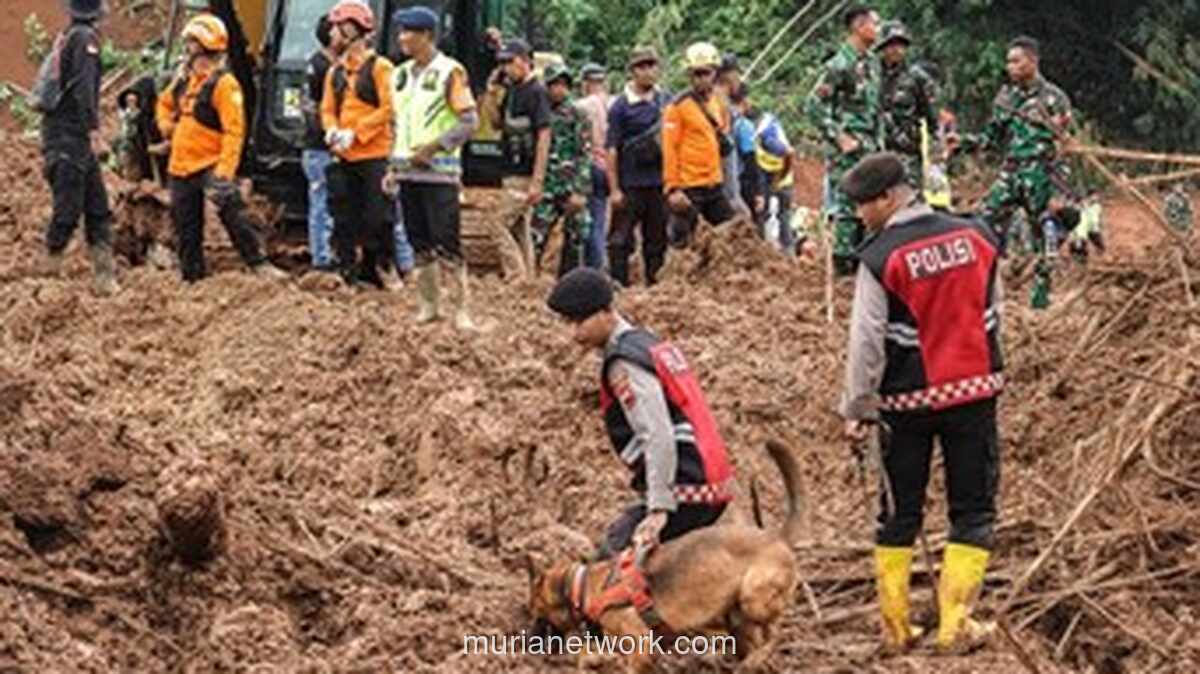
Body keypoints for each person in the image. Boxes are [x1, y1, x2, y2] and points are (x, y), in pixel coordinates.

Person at [838, 153, 1004, 655]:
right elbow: (994, 311)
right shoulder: (977, 237)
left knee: (898, 510)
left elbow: (865, 341)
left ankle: (895, 627)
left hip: (904, 404)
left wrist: (856, 408)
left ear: (889, 197)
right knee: (972, 509)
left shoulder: (880, 256)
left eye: (862, 205)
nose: (858, 215)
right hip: (974, 394)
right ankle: (957, 625)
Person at [546, 268, 736, 560]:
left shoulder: (624, 363)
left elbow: (656, 433)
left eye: (579, 321)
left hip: (689, 487)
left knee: (613, 559)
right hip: (712, 479)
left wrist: (659, 508)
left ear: (606, 311)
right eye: (567, 323)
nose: (573, 333)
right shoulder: (648, 343)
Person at [155, 13, 287, 283]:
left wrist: (224, 172)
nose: (187, 48)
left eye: (191, 42)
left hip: (210, 163)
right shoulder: (185, 80)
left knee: (232, 211)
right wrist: (167, 126)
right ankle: (192, 276)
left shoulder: (225, 85)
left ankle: (258, 262)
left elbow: (234, 131)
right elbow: (164, 104)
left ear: (203, 44)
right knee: (185, 224)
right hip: (181, 164)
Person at [946, 36, 1074, 309]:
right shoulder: (1006, 97)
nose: (1010, 67)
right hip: (1011, 172)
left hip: (1042, 172)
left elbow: (1066, 147)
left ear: (1033, 61)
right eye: (1008, 62)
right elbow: (991, 139)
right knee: (982, 223)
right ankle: (977, 290)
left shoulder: (1054, 98)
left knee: (1043, 237)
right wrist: (963, 143)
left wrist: (1058, 190)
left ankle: (1040, 301)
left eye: (1016, 61)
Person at [386, 6, 480, 329]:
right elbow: (396, 126)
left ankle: (461, 309)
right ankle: (428, 305)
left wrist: (434, 147)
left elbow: (470, 121)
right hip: (407, 172)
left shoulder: (449, 72)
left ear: (427, 35)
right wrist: (391, 167)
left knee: (447, 241)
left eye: (408, 33)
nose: (402, 39)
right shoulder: (398, 75)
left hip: (439, 173)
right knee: (418, 241)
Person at [38, 0, 119, 295]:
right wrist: (95, 132)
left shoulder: (69, 36)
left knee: (98, 207)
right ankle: (48, 273)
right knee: (68, 209)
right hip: (69, 138)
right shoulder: (85, 41)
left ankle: (104, 278)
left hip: (71, 138)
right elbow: (85, 93)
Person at [320, 0, 399, 290]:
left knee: (378, 217)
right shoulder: (335, 73)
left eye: (337, 29)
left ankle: (379, 268)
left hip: (374, 154)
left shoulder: (380, 68)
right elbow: (327, 109)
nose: (333, 35)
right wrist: (331, 131)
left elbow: (390, 108)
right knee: (343, 216)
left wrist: (358, 132)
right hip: (344, 156)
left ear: (352, 30)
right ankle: (346, 271)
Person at [806, 5, 882, 277]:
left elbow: (875, 109)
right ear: (859, 27)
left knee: (871, 205)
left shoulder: (871, 62)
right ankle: (843, 268)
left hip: (870, 147)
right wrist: (839, 137)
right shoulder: (840, 64)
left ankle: (865, 263)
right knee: (848, 207)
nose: (879, 28)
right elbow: (813, 105)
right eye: (875, 23)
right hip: (848, 152)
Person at [662, 42, 739, 248]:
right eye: (696, 74)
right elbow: (670, 149)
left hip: (714, 184)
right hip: (688, 188)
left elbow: (722, 138)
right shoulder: (677, 107)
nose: (700, 79)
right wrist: (672, 189)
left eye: (705, 73)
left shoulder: (719, 103)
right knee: (683, 244)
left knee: (732, 235)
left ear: (714, 73)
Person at [605, 46, 671, 287]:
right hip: (630, 184)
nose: (648, 72)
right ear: (632, 71)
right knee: (619, 241)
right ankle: (618, 289)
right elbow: (612, 148)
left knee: (657, 242)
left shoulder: (666, 102)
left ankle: (655, 290)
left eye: (651, 66)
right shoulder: (620, 107)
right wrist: (614, 189)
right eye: (642, 67)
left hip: (658, 184)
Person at [488, 38, 553, 276]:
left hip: (525, 172)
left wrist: (538, 179)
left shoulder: (537, 92)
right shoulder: (512, 91)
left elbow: (544, 136)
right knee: (519, 227)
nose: (506, 68)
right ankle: (528, 276)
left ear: (525, 62)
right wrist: (492, 93)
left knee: (497, 223)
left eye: (510, 62)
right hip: (510, 168)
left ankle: (516, 274)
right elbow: (496, 124)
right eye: (503, 63)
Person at [532, 64, 593, 276]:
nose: (559, 89)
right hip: (546, 185)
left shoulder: (578, 114)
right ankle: (534, 280)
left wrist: (580, 190)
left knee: (577, 237)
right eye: (554, 84)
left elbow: (585, 153)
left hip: (570, 184)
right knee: (537, 235)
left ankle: (574, 279)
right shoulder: (539, 112)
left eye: (563, 84)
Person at [876, 21, 939, 194]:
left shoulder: (918, 78)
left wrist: (936, 159)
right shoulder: (870, 74)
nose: (896, 49)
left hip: (906, 155)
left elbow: (933, 119)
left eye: (901, 45)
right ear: (882, 47)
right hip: (875, 153)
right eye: (891, 44)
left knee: (910, 205)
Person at [302, 15, 337, 270]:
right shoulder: (320, 66)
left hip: (329, 146)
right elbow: (313, 110)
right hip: (321, 147)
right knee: (322, 202)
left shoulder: (333, 65)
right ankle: (322, 258)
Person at [576, 62, 610, 270]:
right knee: (601, 219)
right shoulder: (614, 103)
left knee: (589, 223)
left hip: (590, 166)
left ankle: (594, 268)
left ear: (585, 83)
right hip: (610, 169)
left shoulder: (582, 106)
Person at [715, 53, 752, 222]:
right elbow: (727, 152)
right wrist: (734, 197)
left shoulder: (719, 102)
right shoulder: (720, 104)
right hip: (721, 183)